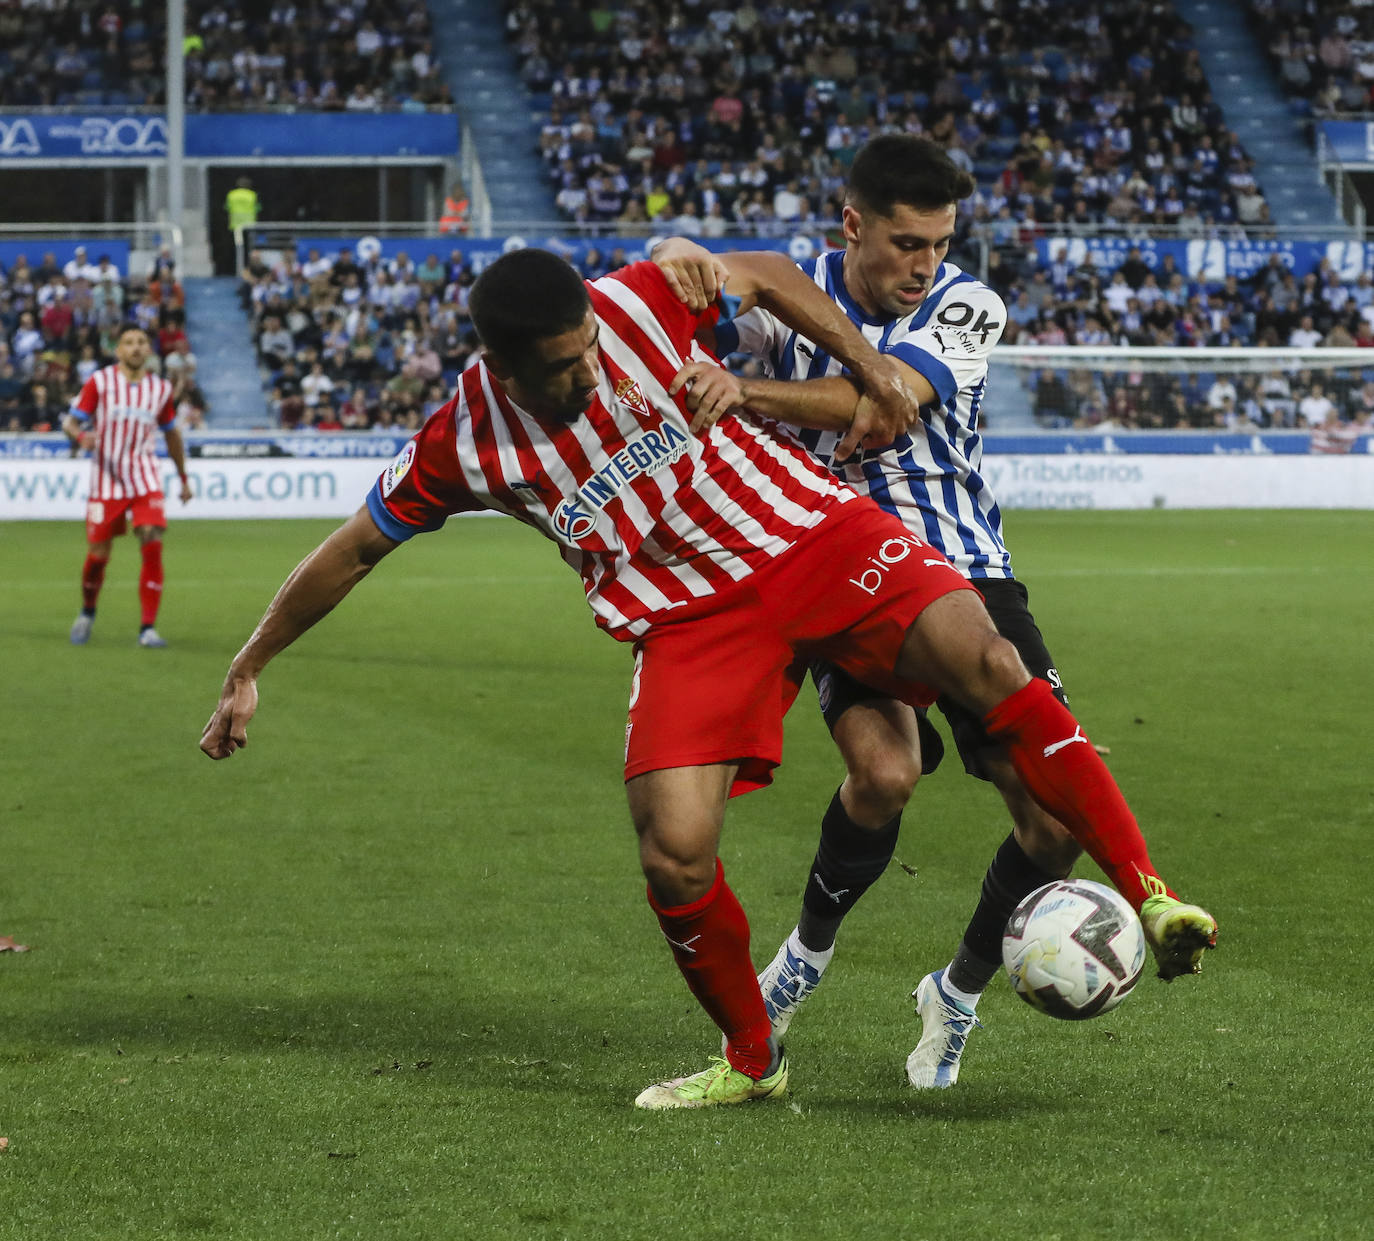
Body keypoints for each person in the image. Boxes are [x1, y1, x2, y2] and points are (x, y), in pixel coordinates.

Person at [200, 246, 1211, 1112]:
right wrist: (250, 663)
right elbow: (352, 549)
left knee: (992, 663)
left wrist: (873, 374)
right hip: (691, 618)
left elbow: (765, 276)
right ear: (504, 367)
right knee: (676, 851)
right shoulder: (461, 442)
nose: (590, 374)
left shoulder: (638, 295)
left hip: (811, 532)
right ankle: (753, 1058)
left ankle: (1150, 892)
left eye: (591, 349)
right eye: (562, 369)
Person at [650, 134, 1217, 1092]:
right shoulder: (796, 293)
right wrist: (680, 261)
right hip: (836, 563)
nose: (925, 264)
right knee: (883, 773)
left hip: (966, 568)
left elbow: (883, 405)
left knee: (1050, 815)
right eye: (906, 243)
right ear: (853, 223)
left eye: (939, 242)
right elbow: (702, 287)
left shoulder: (966, 302)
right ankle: (805, 955)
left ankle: (954, 993)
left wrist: (741, 390)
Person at [63, 323, 193, 648]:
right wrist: (81, 437)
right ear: (118, 350)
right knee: (98, 555)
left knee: (152, 540)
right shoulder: (101, 382)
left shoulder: (160, 389)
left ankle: (147, 629)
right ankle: (87, 611)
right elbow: (70, 421)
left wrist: (183, 478)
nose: (135, 348)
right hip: (106, 480)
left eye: (141, 342)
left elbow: (172, 434)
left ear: (148, 350)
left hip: (144, 477)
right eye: (129, 343)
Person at [225, 176, 260, 242]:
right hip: (250, 222)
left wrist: (229, 221)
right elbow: (257, 209)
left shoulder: (231, 194)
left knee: (238, 242)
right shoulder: (253, 194)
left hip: (235, 222)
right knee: (250, 242)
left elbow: (227, 209)